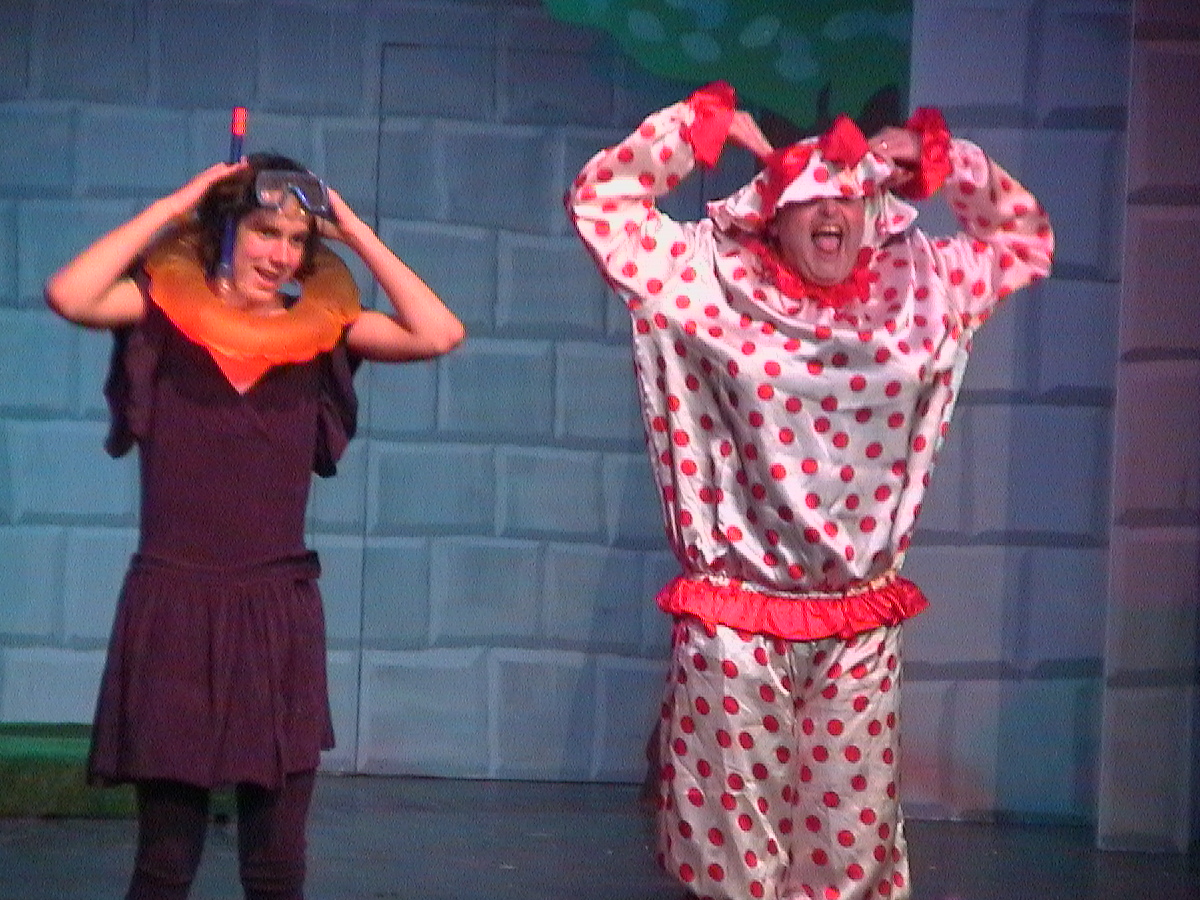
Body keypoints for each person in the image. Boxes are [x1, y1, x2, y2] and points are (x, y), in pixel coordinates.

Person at [566, 81, 1052, 900]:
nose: (832, 210)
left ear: (875, 208)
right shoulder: (701, 275)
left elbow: (1023, 238)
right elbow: (601, 202)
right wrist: (694, 128)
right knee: (732, 863)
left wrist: (940, 159)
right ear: (771, 210)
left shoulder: (923, 284)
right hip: (735, 617)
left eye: (850, 194)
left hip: (856, 620)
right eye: (810, 195)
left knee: (849, 859)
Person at [45, 152, 465, 900]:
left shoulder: (321, 332)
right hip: (175, 606)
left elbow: (439, 332)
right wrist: (178, 205)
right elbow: (69, 292)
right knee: (164, 863)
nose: (282, 254)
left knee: (275, 863)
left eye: (297, 239)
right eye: (266, 232)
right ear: (227, 232)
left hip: (276, 612)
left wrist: (355, 232)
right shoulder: (161, 317)